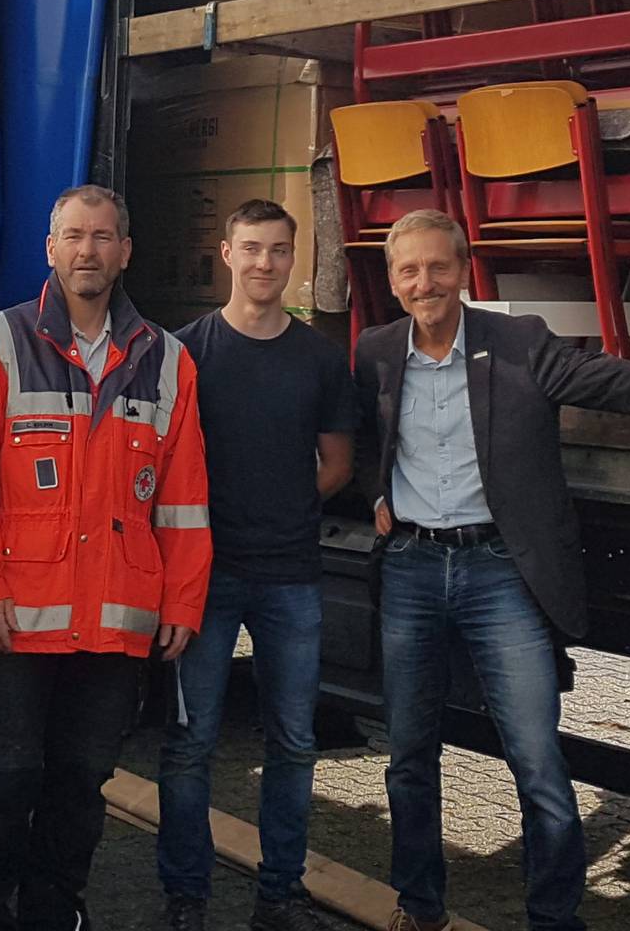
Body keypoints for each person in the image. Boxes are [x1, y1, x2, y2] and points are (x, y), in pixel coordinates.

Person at [355, 210, 630, 931]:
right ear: (391, 281)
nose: (424, 282)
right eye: (409, 270)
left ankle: (554, 919)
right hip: (411, 567)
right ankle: (420, 906)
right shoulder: (376, 352)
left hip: (499, 571)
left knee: (536, 761)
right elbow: (358, 435)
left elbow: (625, 385)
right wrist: (377, 495)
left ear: (463, 270)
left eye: (438, 266)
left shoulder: (518, 344)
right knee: (408, 756)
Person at [0, 184, 214, 931]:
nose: (87, 250)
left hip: (115, 623)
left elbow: (183, 502)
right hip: (13, 622)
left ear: (125, 252)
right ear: (50, 249)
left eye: (102, 237)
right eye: (73, 236)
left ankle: (55, 913)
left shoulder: (168, 362)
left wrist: (183, 601)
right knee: (9, 779)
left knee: (82, 782)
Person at [160, 200, 354, 931]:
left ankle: (280, 896)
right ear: (227, 254)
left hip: (291, 576)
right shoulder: (186, 354)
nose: (264, 263)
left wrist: (284, 503)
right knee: (191, 744)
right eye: (251, 248)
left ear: (293, 258)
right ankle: (187, 897)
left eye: (277, 250)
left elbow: (338, 463)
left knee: (294, 744)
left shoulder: (319, 359)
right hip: (203, 577)